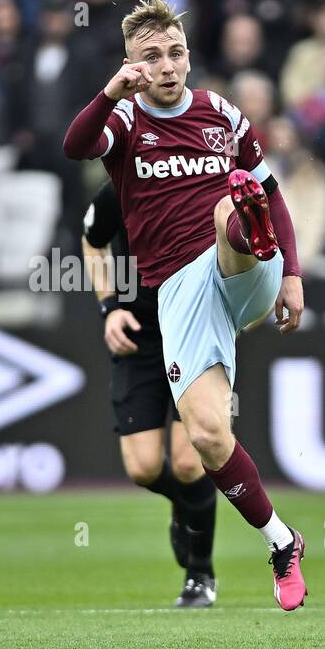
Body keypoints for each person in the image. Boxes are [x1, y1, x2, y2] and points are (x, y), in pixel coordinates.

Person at [63, 0, 309, 611]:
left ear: (190, 57)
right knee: (205, 438)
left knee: (238, 200)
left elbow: (276, 192)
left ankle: (246, 230)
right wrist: (110, 92)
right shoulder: (123, 122)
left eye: (175, 53)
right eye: (152, 57)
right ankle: (281, 542)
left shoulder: (220, 112)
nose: (167, 66)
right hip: (177, 294)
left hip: (241, 268)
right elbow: (75, 145)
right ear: (132, 66)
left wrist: (295, 277)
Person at [81, 179, 218, 607]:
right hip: (139, 334)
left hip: (196, 330)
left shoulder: (209, 186)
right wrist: (110, 308)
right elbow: (91, 241)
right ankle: (187, 506)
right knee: (142, 467)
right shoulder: (121, 189)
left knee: (188, 461)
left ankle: (200, 573)